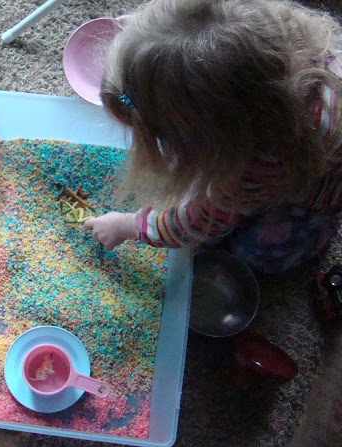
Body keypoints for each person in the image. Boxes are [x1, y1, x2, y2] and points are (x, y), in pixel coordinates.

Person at [84, 0, 342, 274]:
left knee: (253, 249)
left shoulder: (251, 170)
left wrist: (129, 225)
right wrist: (144, 37)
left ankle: (318, 234)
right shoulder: (277, 37)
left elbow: (193, 222)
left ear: (210, 144)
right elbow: (193, 32)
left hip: (312, 194)